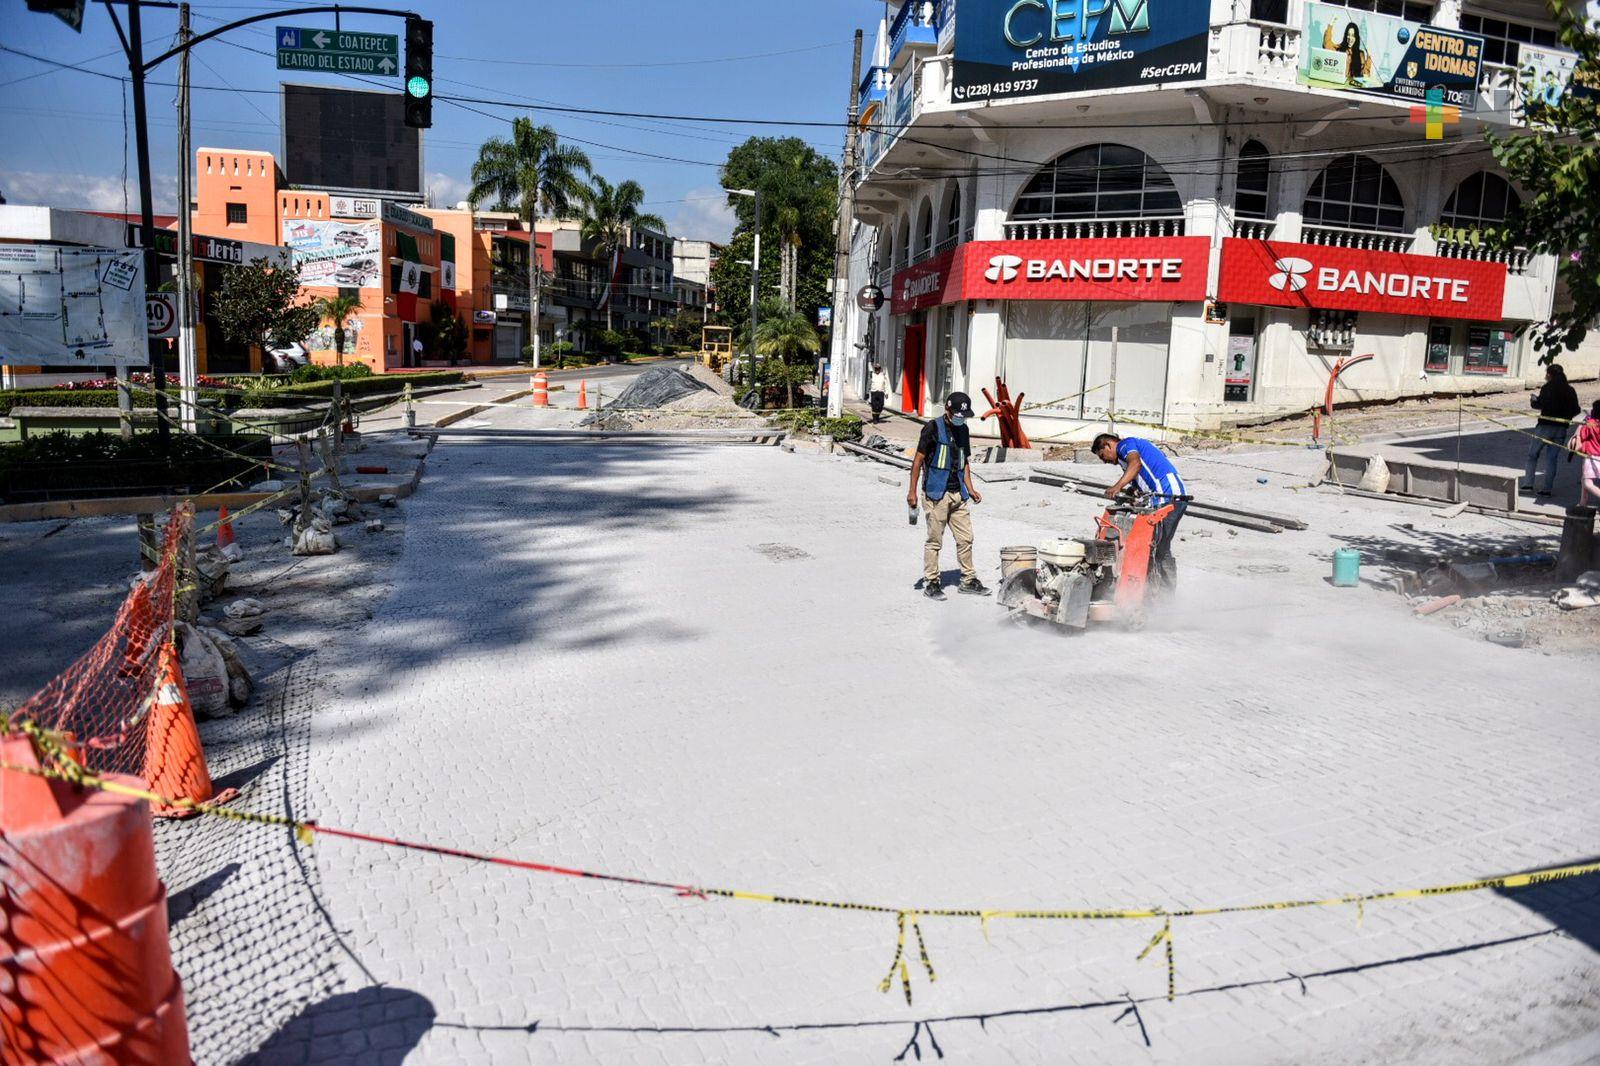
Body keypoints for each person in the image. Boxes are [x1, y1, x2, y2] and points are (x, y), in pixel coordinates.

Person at [907, 392, 989, 600]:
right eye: (958, 415)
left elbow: (964, 461)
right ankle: (932, 582)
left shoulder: (964, 430)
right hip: (937, 495)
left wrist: (971, 489)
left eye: (964, 416)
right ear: (947, 410)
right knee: (934, 541)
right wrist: (912, 492)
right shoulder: (932, 428)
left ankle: (968, 580)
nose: (961, 419)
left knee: (966, 538)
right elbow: (918, 461)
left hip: (958, 494)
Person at [1093, 432, 1188, 590]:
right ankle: (1160, 592)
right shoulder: (1125, 459)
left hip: (1168, 496)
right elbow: (1139, 477)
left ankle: (1159, 594)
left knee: (1154, 548)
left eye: (1103, 456)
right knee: (1159, 547)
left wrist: (1117, 487)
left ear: (1108, 445)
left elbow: (1136, 464)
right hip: (1167, 498)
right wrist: (1131, 492)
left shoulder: (1125, 445)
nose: (1105, 461)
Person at [1523, 363, 1580, 497]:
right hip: (1561, 429)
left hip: (1545, 427)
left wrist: (1533, 400)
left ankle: (1528, 484)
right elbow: (1576, 409)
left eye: (1546, 374)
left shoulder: (1547, 388)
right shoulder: (1570, 389)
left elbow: (1539, 404)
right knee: (1551, 459)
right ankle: (1547, 489)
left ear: (1549, 375)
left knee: (1533, 455)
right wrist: (1566, 417)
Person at [1574, 399, 1600, 507]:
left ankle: (1583, 503)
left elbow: (1582, 435)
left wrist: (1582, 425)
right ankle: (1582, 503)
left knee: (1587, 482)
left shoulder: (1591, 423)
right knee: (1584, 478)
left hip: (1591, 456)